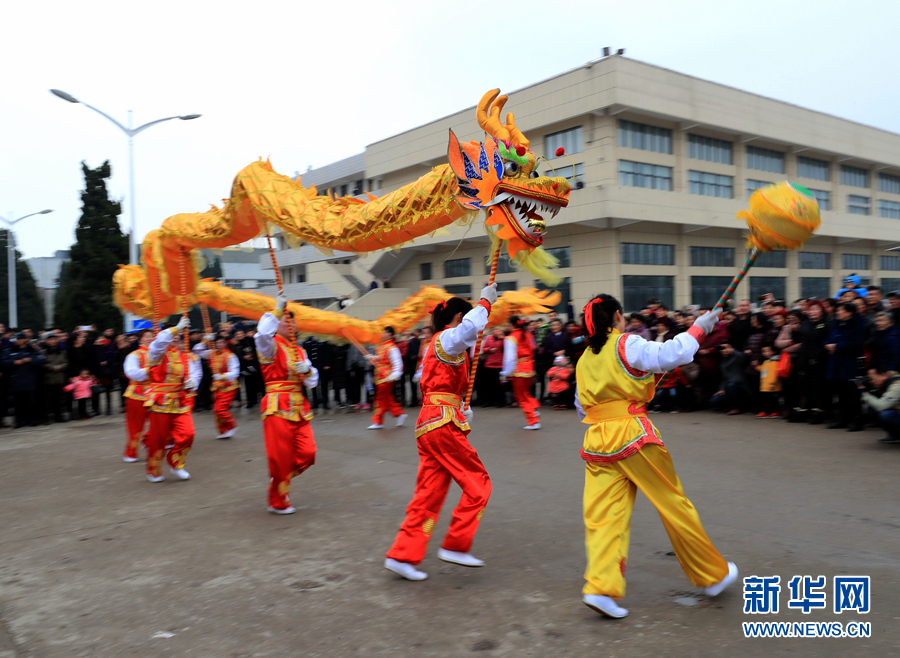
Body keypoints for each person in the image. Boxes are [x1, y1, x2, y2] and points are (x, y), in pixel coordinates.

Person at [575, 294, 737, 619]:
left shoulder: (583, 360)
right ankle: (712, 574)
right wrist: (698, 329)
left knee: (603, 517)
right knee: (673, 504)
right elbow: (669, 355)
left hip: (597, 440)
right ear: (618, 317)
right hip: (633, 434)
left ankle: (601, 587)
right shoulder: (626, 344)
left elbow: (581, 407)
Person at [384, 283, 497, 581]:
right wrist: (485, 303)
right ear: (459, 316)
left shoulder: (439, 343)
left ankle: (402, 554)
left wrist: (461, 406)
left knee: (429, 493)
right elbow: (468, 331)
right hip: (441, 423)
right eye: (467, 315)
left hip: (432, 421)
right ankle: (456, 544)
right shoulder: (448, 337)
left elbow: (440, 386)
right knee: (479, 484)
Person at [255, 294, 319, 514]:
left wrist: (308, 370)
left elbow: (312, 381)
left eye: (292, 321)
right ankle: (278, 499)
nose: (289, 323)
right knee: (280, 455)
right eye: (285, 320)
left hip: (299, 407)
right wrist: (277, 308)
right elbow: (261, 333)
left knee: (308, 453)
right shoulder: (270, 346)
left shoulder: (300, 350)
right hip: (276, 405)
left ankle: (279, 478)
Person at [143, 319, 201, 483]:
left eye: (179, 335)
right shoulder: (156, 351)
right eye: (174, 334)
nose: (177, 337)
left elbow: (193, 375)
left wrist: (192, 383)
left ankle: (176, 464)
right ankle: (153, 470)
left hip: (180, 400)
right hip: (160, 401)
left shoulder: (183, 356)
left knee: (188, 433)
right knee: (158, 439)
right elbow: (161, 341)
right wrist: (177, 327)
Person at [825, 302, 866, 432]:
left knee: (852, 394)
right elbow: (828, 338)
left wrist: (837, 347)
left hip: (850, 363)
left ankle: (857, 421)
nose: (837, 312)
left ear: (849, 312)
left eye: (840, 310)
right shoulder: (836, 324)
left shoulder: (858, 325)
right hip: (836, 362)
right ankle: (842, 420)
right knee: (840, 393)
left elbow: (856, 343)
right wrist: (827, 345)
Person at [194, 336, 241, 439]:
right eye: (217, 343)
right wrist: (205, 340)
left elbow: (235, 372)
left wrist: (222, 376)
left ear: (225, 344)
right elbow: (197, 350)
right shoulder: (212, 353)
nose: (219, 345)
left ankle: (231, 425)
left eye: (221, 343)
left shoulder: (230, 356)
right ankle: (223, 430)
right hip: (217, 387)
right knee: (216, 411)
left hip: (229, 387)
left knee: (220, 410)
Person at [502, 316, 540, 429]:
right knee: (525, 394)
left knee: (521, 397)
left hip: (519, 370)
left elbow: (509, 359)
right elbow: (533, 348)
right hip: (530, 367)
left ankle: (533, 420)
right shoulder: (528, 334)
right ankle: (534, 408)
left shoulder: (511, 338)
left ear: (511, 325)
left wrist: (505, 373)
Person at [121, 329, 154, 462]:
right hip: (137, 393)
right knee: (135, 426)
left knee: (158, 423)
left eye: (152, 336)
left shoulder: (161, 355)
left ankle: (148, 443)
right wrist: (151, 370)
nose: (150, 339)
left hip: (156, 393)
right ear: (140, 340)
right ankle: (131, 452)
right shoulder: (134, 355)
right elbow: (132, 373)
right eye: (147, 337)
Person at [2, 332, 46, 428]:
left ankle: (31, 420)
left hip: (29, 380)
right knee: (18, 403)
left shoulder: (32, 350)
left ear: (25, 339)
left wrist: (30, 360)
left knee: (31, 402)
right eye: (16, 339)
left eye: (19, 339)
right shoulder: (10, 350)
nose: (17, 341)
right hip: (16, 380)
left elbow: (41, 359)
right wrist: (14, 362)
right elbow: (3, 362)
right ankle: (19, 421)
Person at [367, 327, 406, 430]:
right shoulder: (382, 346)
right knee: (387, 398)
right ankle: (399, 413)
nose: (382, 334)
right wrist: (372, 358)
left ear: (389, 334)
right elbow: (381, 360)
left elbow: (397, 362)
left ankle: (378, 421)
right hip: (380, 376)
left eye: (384, 332)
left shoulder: (392, 347)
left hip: (387, 377)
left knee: (380, 399)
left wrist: (396, 374)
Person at [859, 367, 900, 444]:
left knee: (886, 415)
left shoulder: (897, 385)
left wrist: (864, 393)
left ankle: (896, 435)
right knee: (872, 409)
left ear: (884, 375)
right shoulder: (887, 383)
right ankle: (895, 435)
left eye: (872, 378)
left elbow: (881, 406)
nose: (871, 381)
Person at [41, 332, 68, 423]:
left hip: (59, 378)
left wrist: (60, 367)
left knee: (59, 399)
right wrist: (52, 368)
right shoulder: (43, 352)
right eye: (50, 339)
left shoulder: (61, 352)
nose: (52, 341)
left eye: (54, 339)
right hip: (48, 379)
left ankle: (59, 416)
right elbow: (42, 364)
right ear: (46, 341)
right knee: (47, 400)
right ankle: (46, 417)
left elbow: (66, 362)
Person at [756, 345, 782, 418]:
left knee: (773, 400)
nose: (764, 353)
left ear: (773, 352)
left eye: (766, 351)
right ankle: (766, 411)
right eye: (763, 351)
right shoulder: (767, 361)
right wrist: (757, 367)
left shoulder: (774, 361)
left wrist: (772, 383)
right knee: (766, 400)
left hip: (771, 385)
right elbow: (764, 370)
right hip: (765, 385)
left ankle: (775, 411)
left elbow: (774, 373)